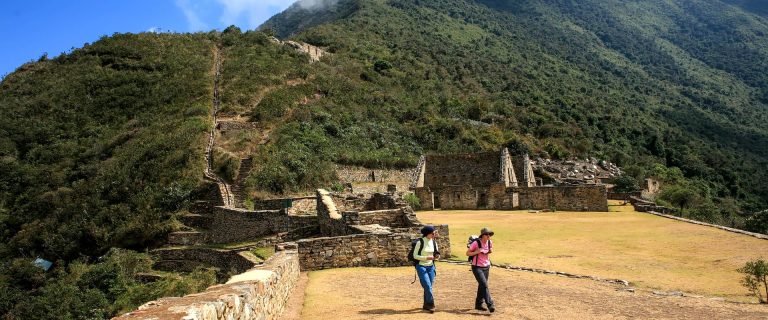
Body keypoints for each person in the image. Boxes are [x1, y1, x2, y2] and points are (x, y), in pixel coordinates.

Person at [466, 227, 495, 313]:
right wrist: (477, 252)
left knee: (482, 285)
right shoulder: (476, 243)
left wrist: (490, 251)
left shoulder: (490, 242)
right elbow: (467, 253)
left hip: (486, 266)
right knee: (484, 284)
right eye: (487, 234)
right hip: (476, 267)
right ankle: (490, 304)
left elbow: (491, 250)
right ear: (482, 235)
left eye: (490, 234)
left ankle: (478, 304)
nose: (489, 236)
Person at [413, 225, 440, 313]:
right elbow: (415, 256)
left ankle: (426, 304)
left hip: (431, 266)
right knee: (427, 286)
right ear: (427, 233)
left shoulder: (434, 242)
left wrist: (437, 256)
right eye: (432, 233)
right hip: (421, 266)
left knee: (429, 286)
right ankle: (431, 304)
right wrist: (426, 258)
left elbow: (436, 253)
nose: (434, 234)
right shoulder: (420, 242)